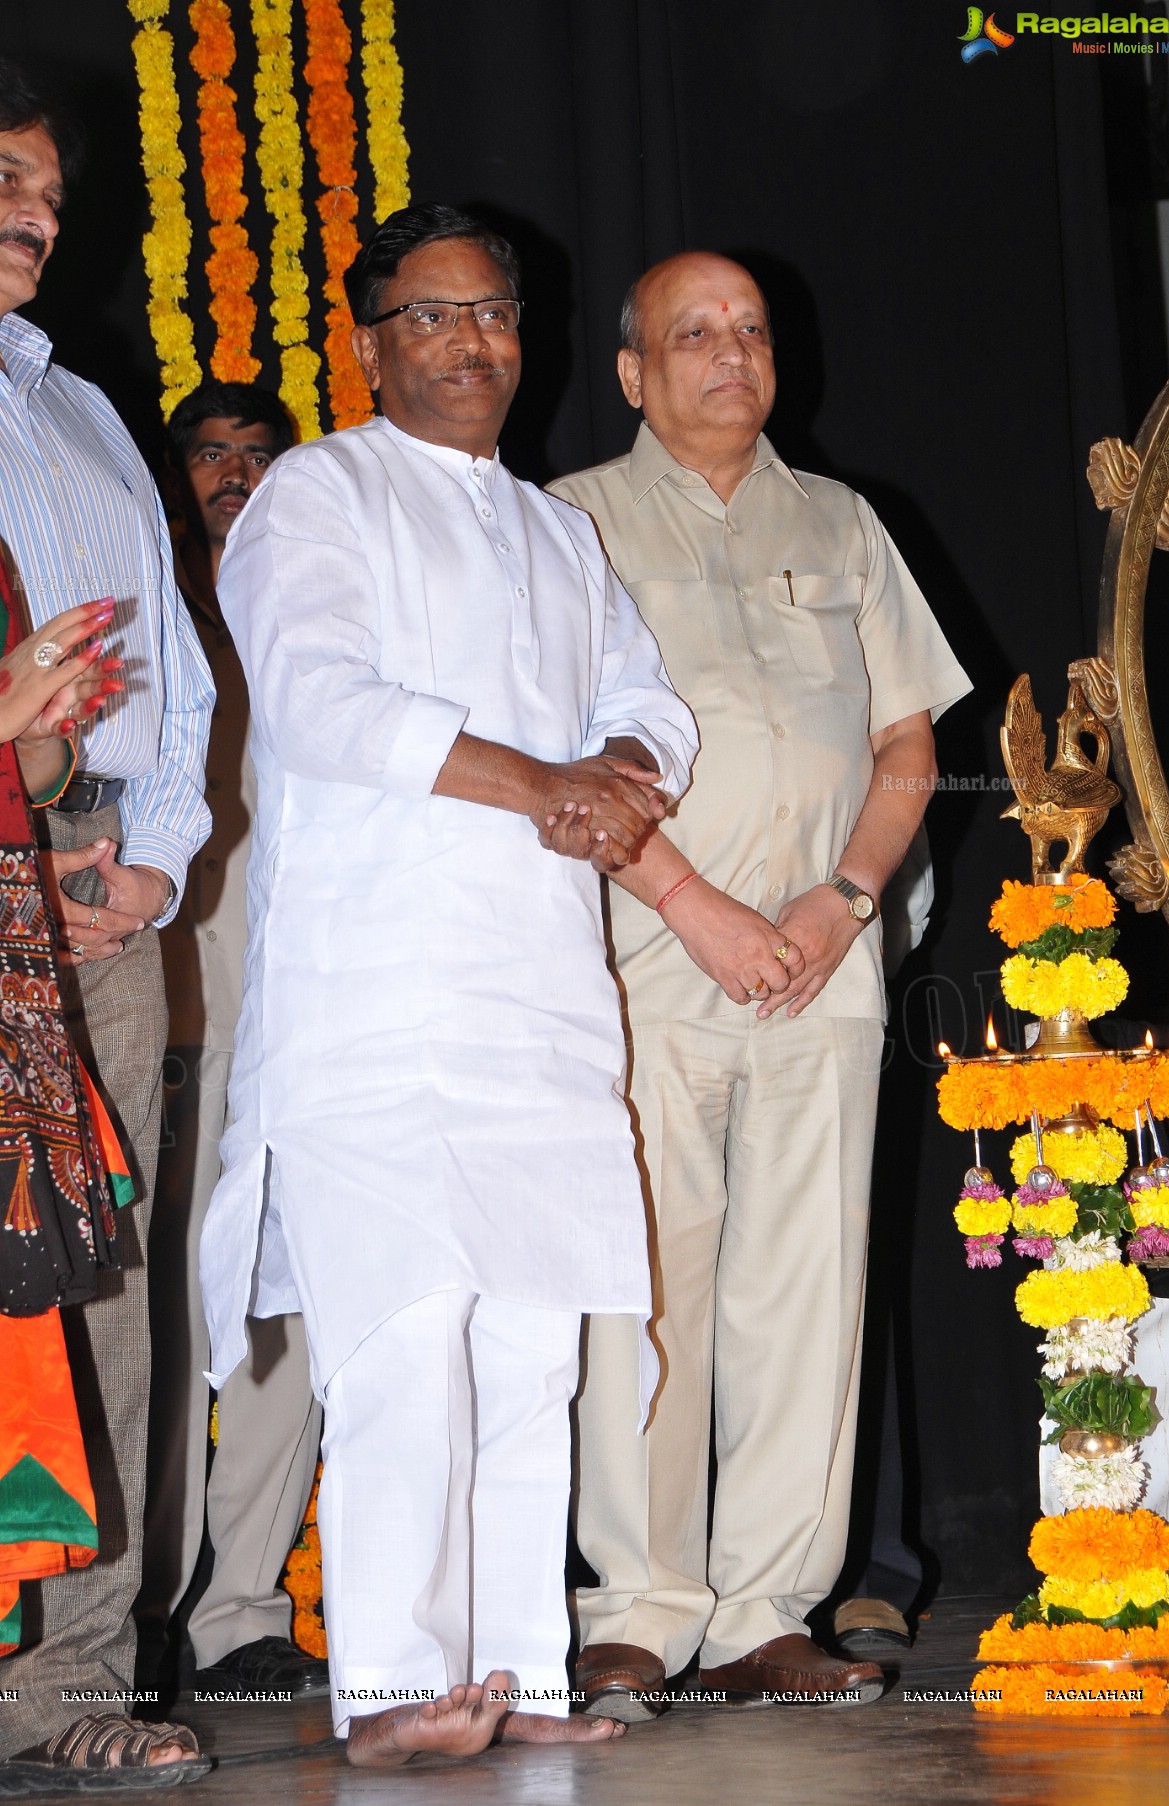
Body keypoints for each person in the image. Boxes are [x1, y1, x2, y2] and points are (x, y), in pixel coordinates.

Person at [199, 203, 698, 1768]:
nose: (474, 341)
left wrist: (617, 772)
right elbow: (326, 703)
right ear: (367, 343)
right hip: (378, 1000)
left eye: (495, 314)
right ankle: (395, 1686)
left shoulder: (555, 528)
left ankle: (520, 1678)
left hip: (539, 999)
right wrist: (552, 779)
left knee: (533, 1350)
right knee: (405, 1338)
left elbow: (648, 699)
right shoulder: (313, 499)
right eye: (433, 315)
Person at [547, 251, 971, 1714]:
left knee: (809, 1291)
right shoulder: (570, 522)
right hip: (649, 964)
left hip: (827, 970)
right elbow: (555, 770)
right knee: (645, 1293)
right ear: (633, 373)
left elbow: (909, 748)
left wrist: (844, 901)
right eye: (693, 333)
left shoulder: (844, 522)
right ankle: (640, 1606)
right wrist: (712, 913)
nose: (730, 353)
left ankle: (765, 1612)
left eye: (750, 330)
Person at [0, 62, 213, 1780]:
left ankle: (72, 1683)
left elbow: (183, 673)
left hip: (94, 897)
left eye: (51, 196)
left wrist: (155, 848)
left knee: (101, 1297)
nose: (33, 213)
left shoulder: (81, 419)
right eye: (4, 177)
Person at [139, 382, 327, 1701]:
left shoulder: (327, 612)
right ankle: (138, 1610)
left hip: (307, 1032)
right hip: (171, 1025)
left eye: (255, 454)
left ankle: (243, 1608)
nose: (231, 475)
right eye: (207, 455)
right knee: (152, 1325)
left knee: (279, 1323)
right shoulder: (151, 608)